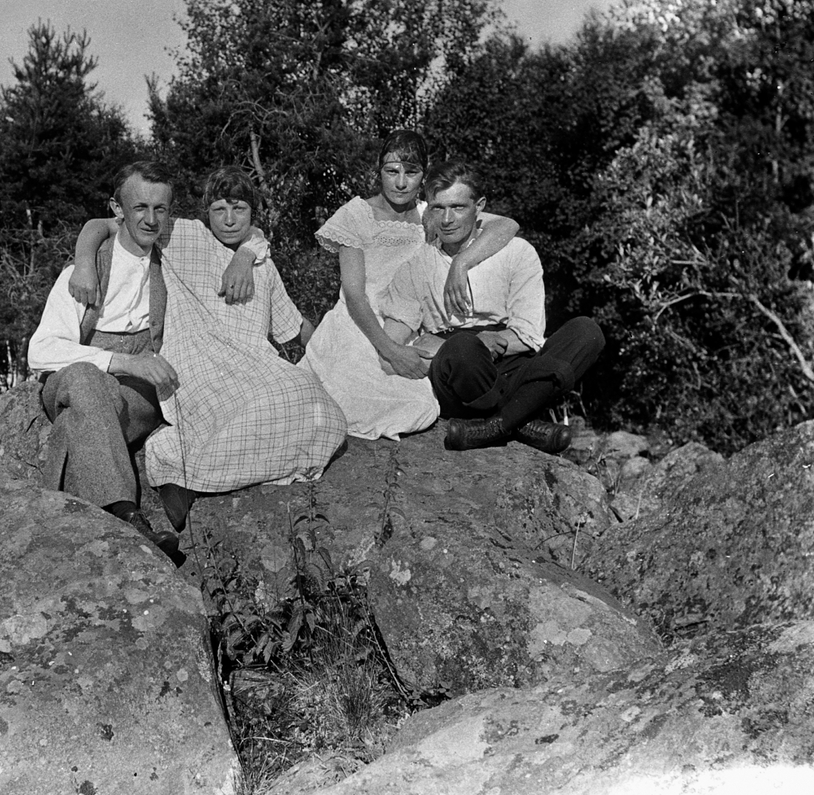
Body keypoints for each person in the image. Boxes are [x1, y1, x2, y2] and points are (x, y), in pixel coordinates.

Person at [70, 167, 346, 532]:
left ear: (253, 213)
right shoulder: (182, 236)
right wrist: (84, 263)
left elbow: (295, 328)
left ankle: (187, 476)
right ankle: (185, 469)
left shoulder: (263, 264)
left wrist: (341, 359)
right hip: (196, 365)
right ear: (206, 212)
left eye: (240, 209)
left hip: (254, 366)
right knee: (267, 407)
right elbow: (102, 225)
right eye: (219, 210)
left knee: (324, 410)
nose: (229, 220)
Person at [298, 130, 521, 440]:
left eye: (411, 172)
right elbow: (354, 296)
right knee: (381, 401)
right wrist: (391, 351)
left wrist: (461, 262)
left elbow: (507, 225)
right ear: (379, 172)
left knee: (426, 403)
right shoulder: (357, 214)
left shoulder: (432, 212)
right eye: (392, 171)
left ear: (423, 176)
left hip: (410, 324)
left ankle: (505, 423)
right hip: (359, 327)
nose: (401, 183)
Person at [376, 159, 605, 453]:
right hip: (457, 370)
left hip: (510, 361)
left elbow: (528, 335)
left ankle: (494, 427)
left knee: (587, 332)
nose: (447, 219)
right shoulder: (415, 266)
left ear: (480, 206)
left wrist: (488, 342)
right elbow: (391, 352)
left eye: (458, 207)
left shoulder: (517, 253)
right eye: (438, 208)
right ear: (428, 209)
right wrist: (439, 346)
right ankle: (520, 418)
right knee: (463, 348)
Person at [27, 160, 184, 565]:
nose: (151, 220)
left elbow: (240, 228)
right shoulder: (85, 270)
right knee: (85, 381)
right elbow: (40, 351)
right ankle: (127, 515)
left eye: (161, 209)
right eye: (140, 208)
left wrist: (247, 253)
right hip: (77, 378)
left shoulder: (173, 261)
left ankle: (79, 529)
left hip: (135, 394)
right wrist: (122, 362)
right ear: (118, 210)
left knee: (79, 422)